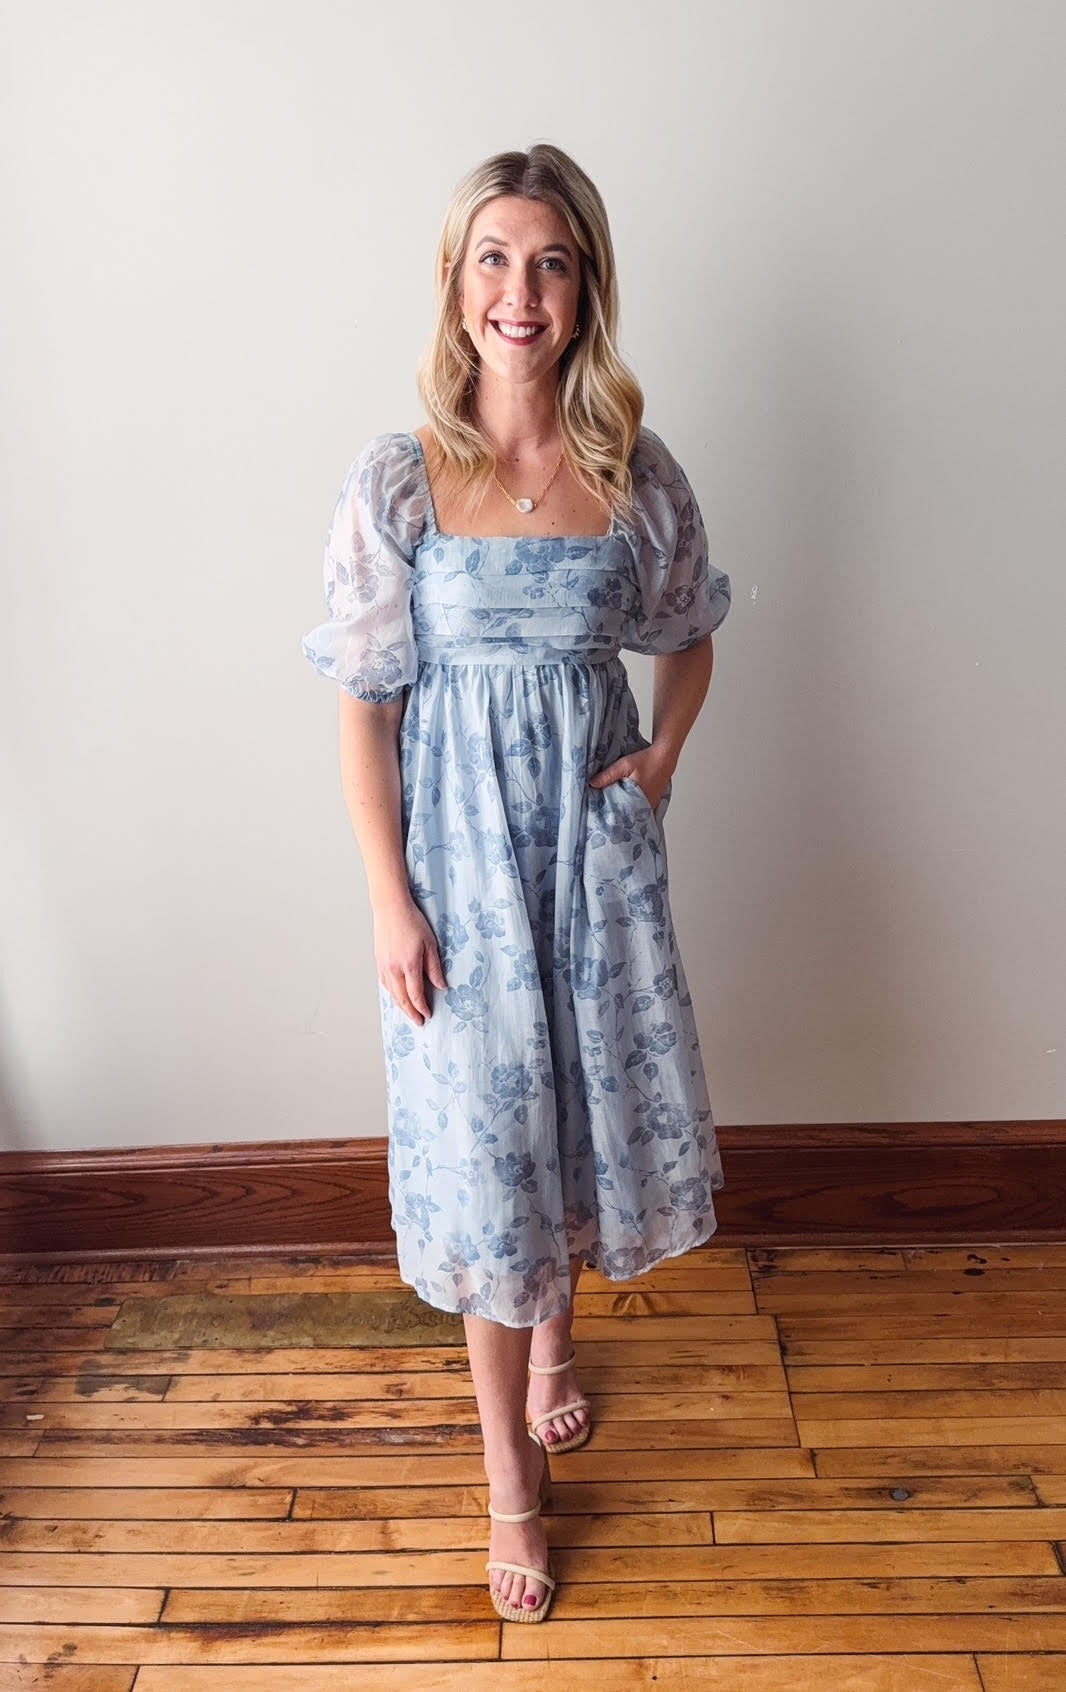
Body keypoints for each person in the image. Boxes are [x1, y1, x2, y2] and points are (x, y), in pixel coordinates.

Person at [302, 143, 732, 1624]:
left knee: (578, 1115)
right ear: (453, 281)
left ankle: (555, 1343)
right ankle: (508, 1486)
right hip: (458, 871)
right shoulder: (398, 476)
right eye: (493, 258)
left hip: (593, 860)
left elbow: (689, 632)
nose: (519, 290)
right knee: (490, 1160)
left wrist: (662, 754)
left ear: (584, 283)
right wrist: (387, 897)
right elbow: (363, 705)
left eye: (549, 260)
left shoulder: (632, 464)